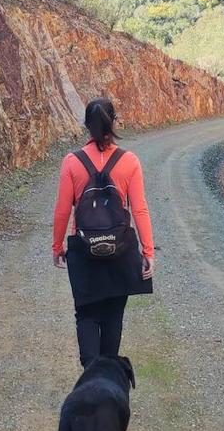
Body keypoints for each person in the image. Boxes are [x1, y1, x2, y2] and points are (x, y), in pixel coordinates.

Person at [53, 98, 155, 367]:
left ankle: (91, 372)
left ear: (87, 126)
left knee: (86, 314)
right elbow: (140, 210)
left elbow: (63, 211)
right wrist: (147, 252)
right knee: (113, 316)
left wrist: (57, 248)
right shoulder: (129, 161)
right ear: (114, 121)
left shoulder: (71, 162)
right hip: (119, 254)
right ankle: (107, 380)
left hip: (85, 255)